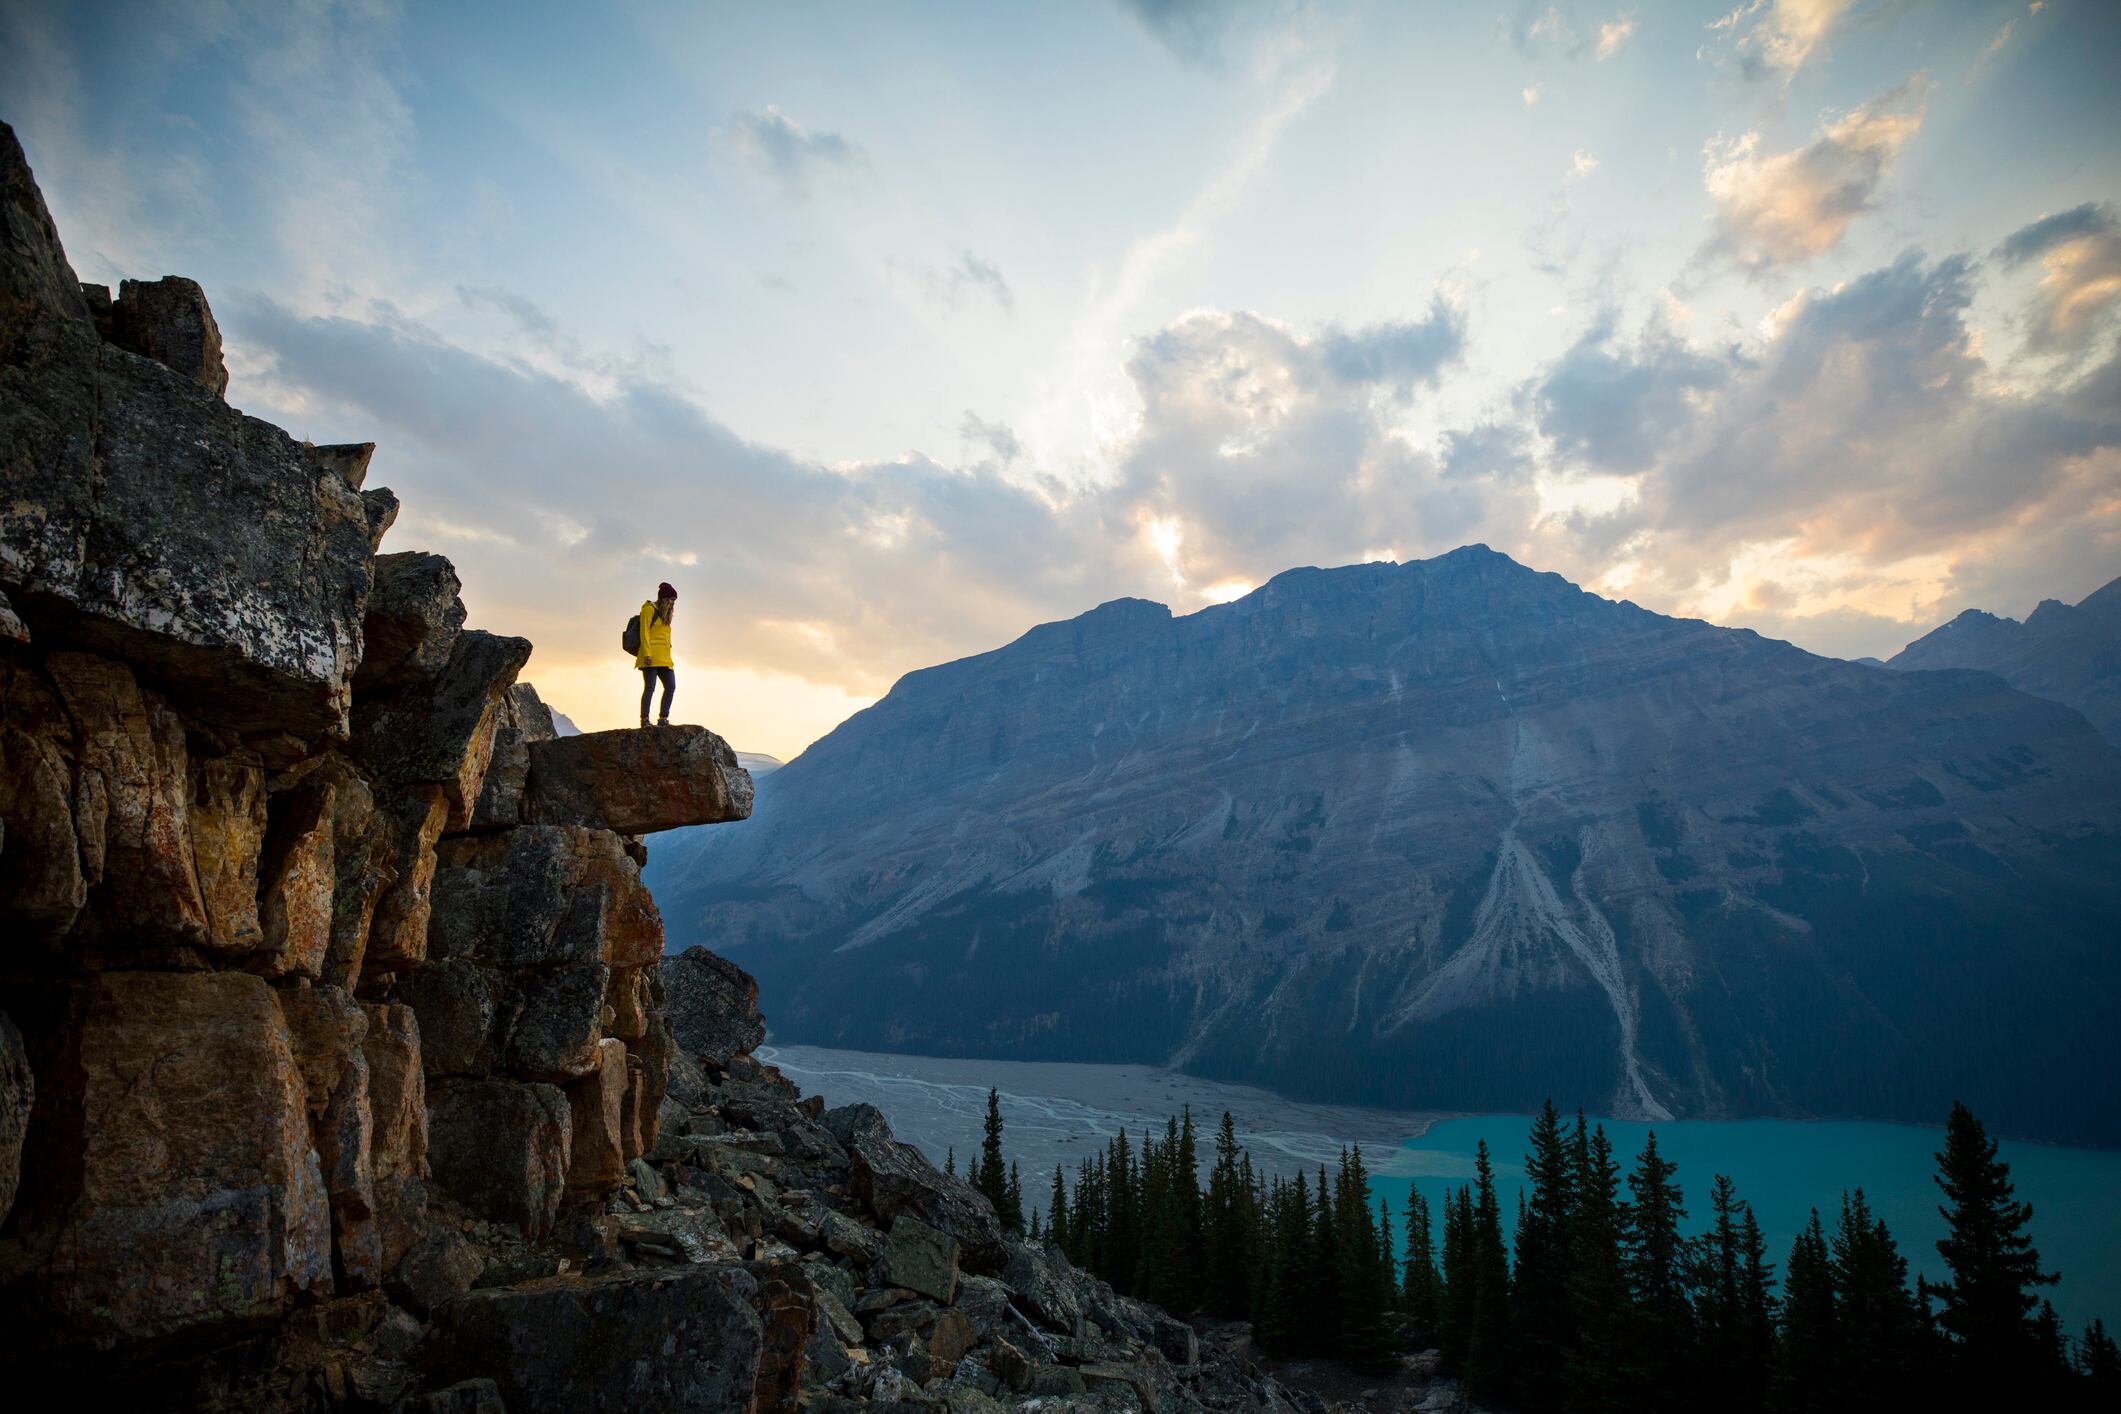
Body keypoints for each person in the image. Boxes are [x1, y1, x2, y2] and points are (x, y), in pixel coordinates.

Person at [636, 582, 677, 727]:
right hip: (650, 657)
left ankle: (663, 718)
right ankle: (645, 719)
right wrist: (647, 654)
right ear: (664, 599)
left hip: (664, 658)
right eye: (671, 599)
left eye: (674, 600)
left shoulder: (666, 614)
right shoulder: (649, 609)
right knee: (650, 687)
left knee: (671, 686)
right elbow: (644, 632)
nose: (673, 603)